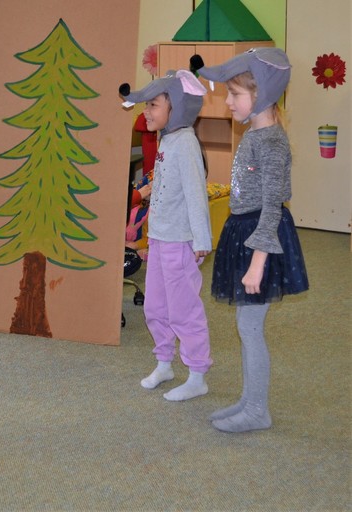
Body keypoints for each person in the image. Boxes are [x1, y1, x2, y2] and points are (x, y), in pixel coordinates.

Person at [196, 48, 309, 432]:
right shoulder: (255, 133)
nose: (228, 102)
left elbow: (273, 207)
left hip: (262, 238)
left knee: (250, 328)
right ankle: (249, 400)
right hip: (245, 231)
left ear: (262, 94)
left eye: (235, 94)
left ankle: (258, 410)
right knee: (246, 326)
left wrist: (258, 263)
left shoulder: (272, 142)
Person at [119, 69, 213, 401]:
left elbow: (196, 194)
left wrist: (201, 239)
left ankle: (197, 375)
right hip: (160, 240)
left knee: (183, 309)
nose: (146, 112)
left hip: (180, 242)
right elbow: (163, 190)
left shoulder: (185, 143)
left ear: (176, 107)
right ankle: (164, 363)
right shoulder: (167, 138)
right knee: (156, 307)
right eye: (146, 105)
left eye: (153, 105)